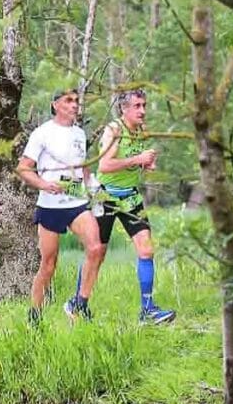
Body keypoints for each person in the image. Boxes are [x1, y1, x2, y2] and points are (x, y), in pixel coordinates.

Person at [89, 89, 175, 324]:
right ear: (123, 108)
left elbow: (137, 160)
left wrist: (148, 163)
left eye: (144, 105)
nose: (143, 110)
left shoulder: (141, 130)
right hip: (105, 197)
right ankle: (78, 304)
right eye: (137, 106)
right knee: (97, 254)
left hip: (130, 198)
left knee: (146, 250)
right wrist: (138, 160)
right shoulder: (114, 130)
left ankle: (147, 310)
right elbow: (105, 165)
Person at [17, 89, 102, 327]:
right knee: (49, 264)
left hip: (77, 202)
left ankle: (80, 304)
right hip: (50, 206)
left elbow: (82, 166)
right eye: (68, 101)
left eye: (76, 101)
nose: (74, 105)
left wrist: (93, 190)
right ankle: (34, 317)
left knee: (96, 249)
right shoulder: (42, 133)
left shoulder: (79, 133)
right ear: (55, 105)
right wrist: (44, 184)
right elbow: (24, 168)